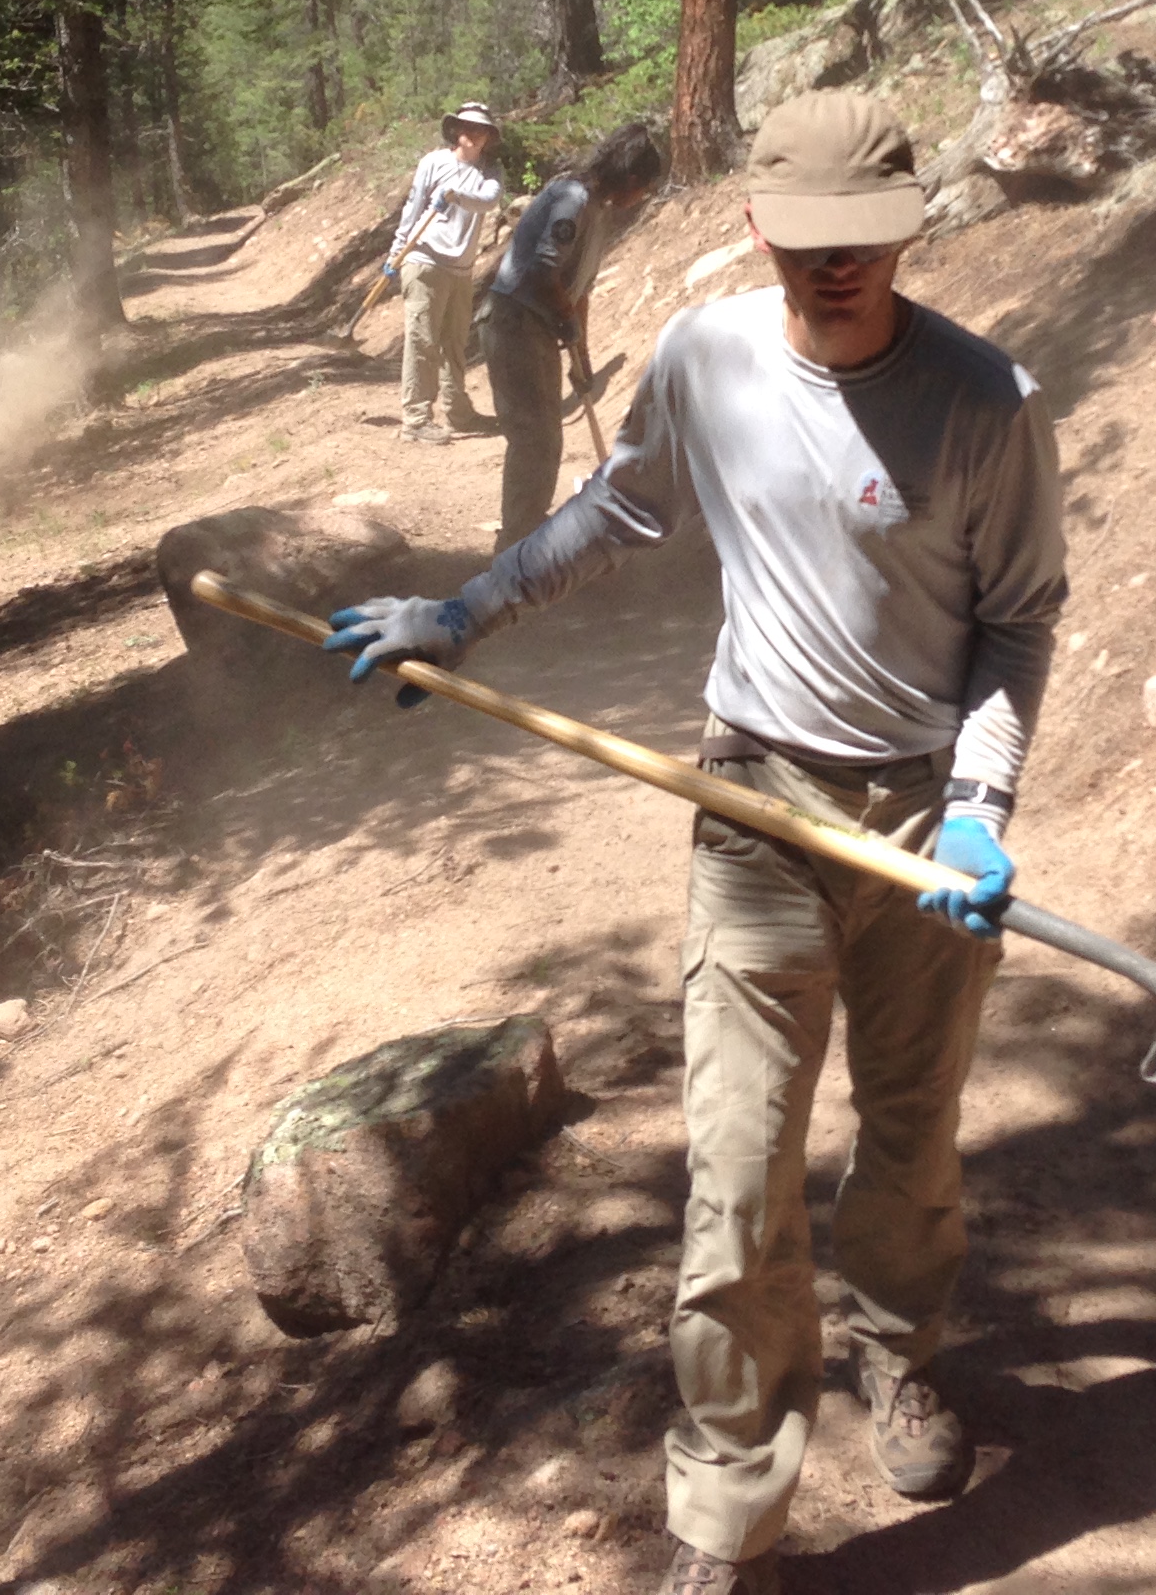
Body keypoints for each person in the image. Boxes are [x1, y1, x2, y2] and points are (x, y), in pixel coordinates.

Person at [325, 90, 1067, 1595]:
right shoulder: (710, 354)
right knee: (738, 1180)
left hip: (922, 820)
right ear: (752, 227)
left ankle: (897, 1353)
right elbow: (621, 507)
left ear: (907, 232)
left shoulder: (986, 403)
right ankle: (729, 1511)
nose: (833, 269)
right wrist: (461, 614)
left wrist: (982, 810)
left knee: (913, 1144)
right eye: (804, 240)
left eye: (863, 241)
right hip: (757, 812)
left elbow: (1019, 622)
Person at [480, 120, 666, 549]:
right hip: (514, 323)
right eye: (644, 189)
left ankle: (524, 533)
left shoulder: (598, 212)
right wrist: (564, 320)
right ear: (631, 179)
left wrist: (581, 356)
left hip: (538, 327)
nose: (640, 199)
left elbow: (578, 289)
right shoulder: (573, 199)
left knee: (545, 437)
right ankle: (515, 544)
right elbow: (544, 273)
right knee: (535, 437)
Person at [381, 101, 503, 444]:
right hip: (424, 261)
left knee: (455, 343)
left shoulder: (490, 173)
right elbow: (413, 208)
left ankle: (458, 411)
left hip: (460, 269)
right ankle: (416, 419)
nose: (472, 134)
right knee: (422, 340)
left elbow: (487, 200)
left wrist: (454, 194)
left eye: (480, 129)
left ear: (488, 137)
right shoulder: (433, 162)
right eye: (467, 127)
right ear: (456, 130)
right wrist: (396, 251)